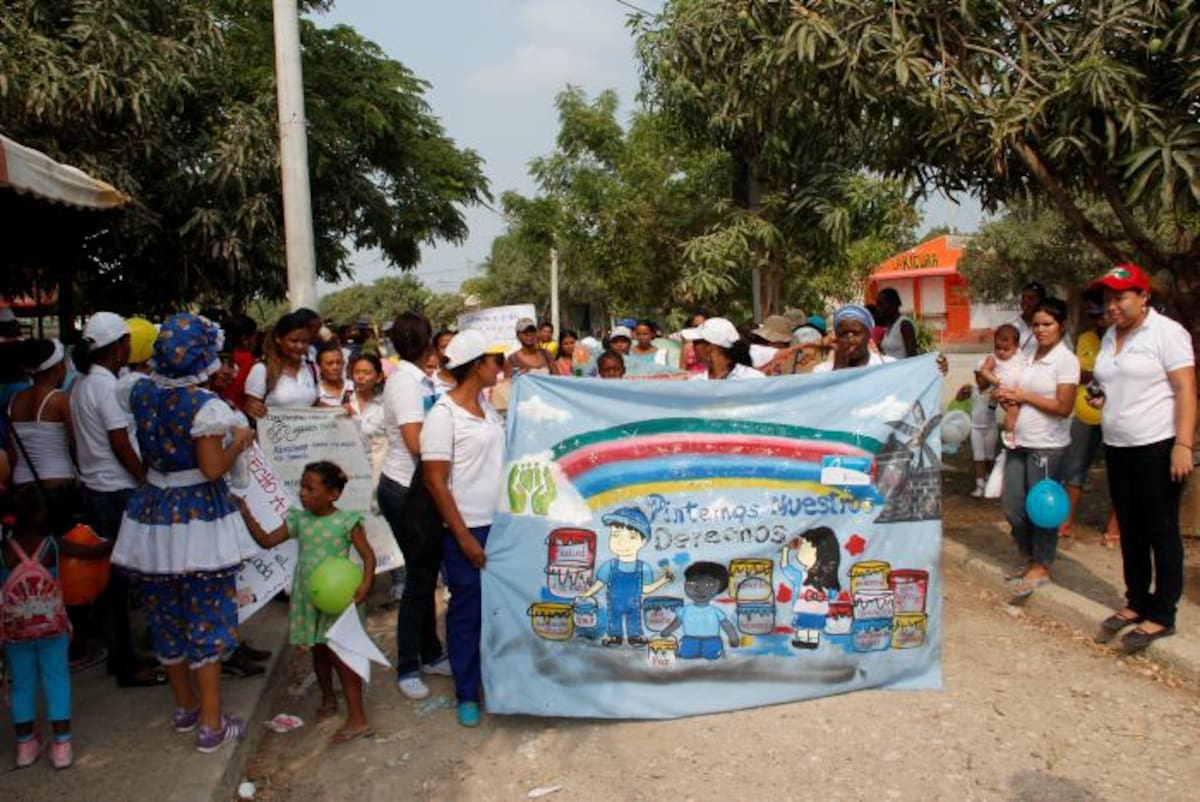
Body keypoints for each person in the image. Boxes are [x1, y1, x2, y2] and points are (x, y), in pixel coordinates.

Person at [111, 313, 260, 753]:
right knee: (206, 617)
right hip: (196, 517)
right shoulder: (204, 407)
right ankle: (211, 724)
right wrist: (241, 439)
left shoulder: (138, 392)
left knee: (165, 616)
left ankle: (184, 707)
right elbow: (213, 468)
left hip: (153, 514)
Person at [1090, 264, 1196, 650]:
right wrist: (1099, 396)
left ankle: (1162, 613)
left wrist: (1183, 444)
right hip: (1117, 445)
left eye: (1120, 297)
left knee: (1160, 528)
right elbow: (1108, 382)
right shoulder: (1110, 337)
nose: (1112, 306)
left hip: (1157, 445)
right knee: (1130, 529)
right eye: (1108, 299)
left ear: (1144, 296)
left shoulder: (1167, 334)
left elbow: (1185, 390)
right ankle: (1137, 601)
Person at [240, 461, 376, 743]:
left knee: (343, 656)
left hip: (339, 601)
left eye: (310, 488)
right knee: (318, 651)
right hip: (311, 599)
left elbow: (368, 556)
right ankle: (328, 699)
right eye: (302, 486)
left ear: (333, 494)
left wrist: (365, 584)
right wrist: (245, 513)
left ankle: (358, 719)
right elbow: (266, 541)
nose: (302, 493)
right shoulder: (299, 520)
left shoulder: (346, 521)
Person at [68, 312, 160, 688]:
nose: (128, 349)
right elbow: (120, 440)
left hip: (96, 487)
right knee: (122, 580)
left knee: (115, 581)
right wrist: (143, 479)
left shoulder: (81, 386)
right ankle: (125, 661)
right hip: (117, 489)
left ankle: (121, 652)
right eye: (124, 342)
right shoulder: (105, 388)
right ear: (115, 348)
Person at [420, 329, 506, 727]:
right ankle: (467, 692)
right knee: (467, 610)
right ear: (477, 366)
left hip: (500, 525)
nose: (500, 367)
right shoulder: (443, 415)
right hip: (467, 528)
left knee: (498, 608)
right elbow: (436, 481)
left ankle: (497, 681)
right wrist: (464, 537)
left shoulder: (487, 408)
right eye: (495, 360)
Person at [376, 313, 451, 700]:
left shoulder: (419, 378)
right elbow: (417, 444)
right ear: (427, 345)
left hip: (417, 487)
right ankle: (408, 665)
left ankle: (431, 652)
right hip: (406, 489)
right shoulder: (405, 384)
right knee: (420, 579)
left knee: (425, 574)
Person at [994, 298, 1079, 598]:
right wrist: (1010, 399)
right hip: (1019, 441)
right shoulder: (1028, 354)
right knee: (1012, 506)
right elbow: (1020, 391)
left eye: (1048, 324)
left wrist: (1025, 396)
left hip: (1047, 446)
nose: (1041, 330)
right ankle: (1028, 556)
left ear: (1061, 325)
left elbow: (1064, 406)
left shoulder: (1066, 360)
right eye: (1037, 325)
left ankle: (1042, 564)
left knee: (1041, 508)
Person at [1, 486, 86, 769]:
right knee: (57, 680)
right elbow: (88, 552)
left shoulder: (3, 551)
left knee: (22, 685)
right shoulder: (52, 545)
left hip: (15, 631)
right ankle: (61, 746)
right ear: (41, 513)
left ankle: (26, 746)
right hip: (53, 629)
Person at [1056, 292, 1120, 545]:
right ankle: (1065, 523)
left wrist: (1091, 375)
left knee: (1118, 473)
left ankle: (1115, 528)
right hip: (1084, 415)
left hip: (1116, 417)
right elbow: (1075, 374)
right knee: (1074, 470)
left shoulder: (1123, 340)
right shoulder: (1085, 339)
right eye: (1093, 316)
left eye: (1100, 315)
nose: (1098, 321)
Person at [243, 311, 317, 418]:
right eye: (294, 341)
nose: (300, 346)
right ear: (278, 338)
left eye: (305, 341)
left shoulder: (312, 369)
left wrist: (341, 410)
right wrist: (253, 408)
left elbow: (316, 405)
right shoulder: (262, 370)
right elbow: (251, 407)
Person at [974, 323, 1025, 464]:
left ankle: (1018, 434)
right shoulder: (993, 358)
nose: (1001, 352)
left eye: (1006, 349)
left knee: (1021, 414)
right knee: (1013, 411)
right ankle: (1009, 435)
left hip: (1020, 390)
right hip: (1005, 391)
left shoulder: (1020, 355)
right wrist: (996, 381)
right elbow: (984, 371)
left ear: (1016, 347)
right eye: (998, 348)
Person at [682, 318, 764, 381]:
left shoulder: (753, 379)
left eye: (696, 342)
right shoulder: (696, 383)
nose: (693, 347)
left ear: (709, 348)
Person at [220, 314, 258, 413]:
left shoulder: (215, 360)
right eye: (254, 338)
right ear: (245, 339)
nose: (256, 342)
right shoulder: (250, 362)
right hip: (239, 415)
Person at [875, 288, 919, 359]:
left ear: (893, 304)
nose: (878, 308)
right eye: (877, 305)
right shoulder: (887, 326)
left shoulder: (904, 324)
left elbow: (912, 356)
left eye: (881, 304)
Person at [314, 343, 350, 408]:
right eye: (329, 363)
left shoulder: (354, 387)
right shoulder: (314, 392)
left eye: (339, 362)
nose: (335, 367)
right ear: (319, 366)